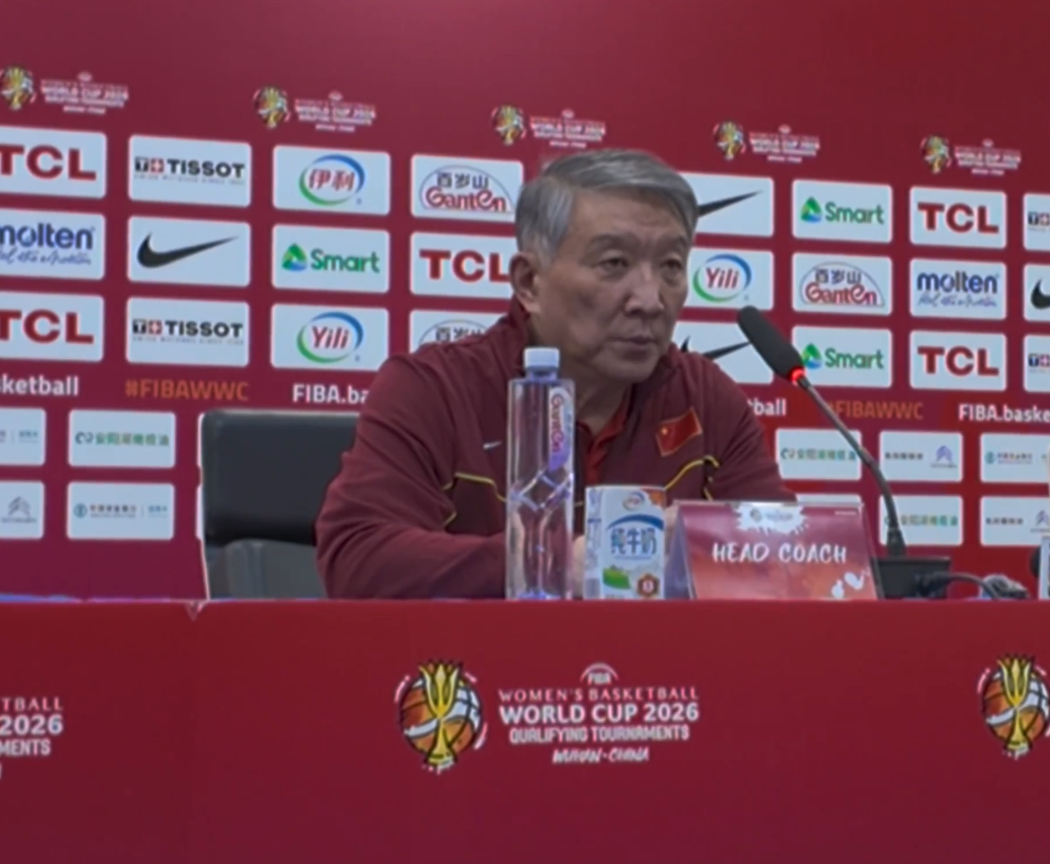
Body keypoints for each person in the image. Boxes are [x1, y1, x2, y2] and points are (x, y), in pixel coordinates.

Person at [316, 148, 794, 599]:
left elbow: (789, 563)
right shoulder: (435, 389)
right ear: (529, 282)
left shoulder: (704, 399)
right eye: (615, 264)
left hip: (658, 661)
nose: (650, 300)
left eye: (671, 265)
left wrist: (714, 550)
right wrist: (556, 562)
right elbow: (359, 558)